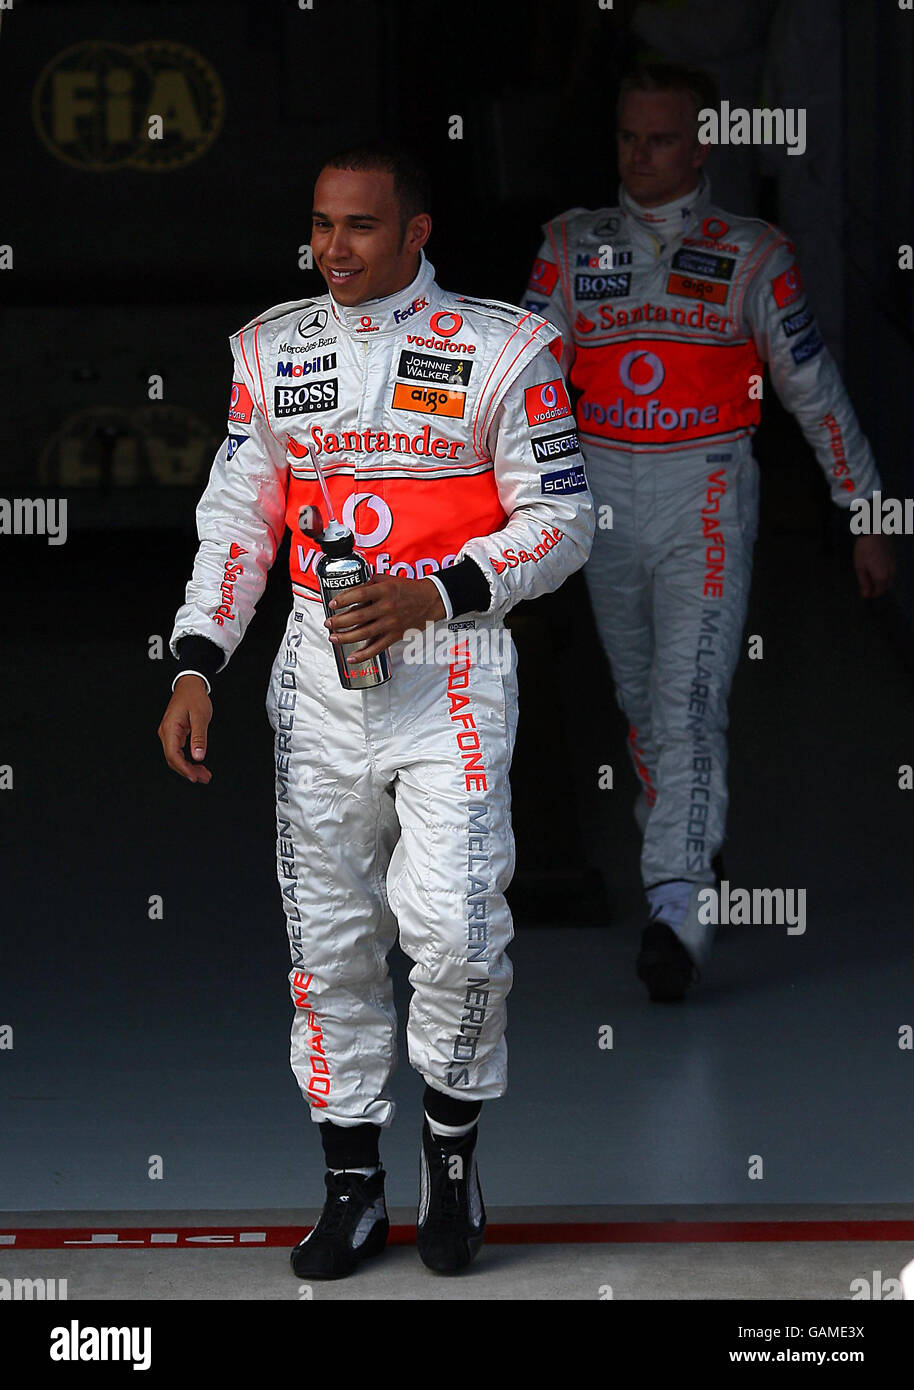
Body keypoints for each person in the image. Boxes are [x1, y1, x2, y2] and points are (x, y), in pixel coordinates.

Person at [158, 146, 594, 1278]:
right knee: (328, 946)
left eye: (359, 227)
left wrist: (434, 591)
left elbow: (561, 519)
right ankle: (351, 1191)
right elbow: (237, 520)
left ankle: (449, 1171)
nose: (334, 248)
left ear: (416, 234)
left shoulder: (508, 349)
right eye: (319, 224)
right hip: (315, 669)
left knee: (455, 933)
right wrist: (196, 661)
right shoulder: (271, 349)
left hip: (448, 664)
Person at [521, 64, 893, 1003]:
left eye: (658, 139)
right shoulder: (569, 245)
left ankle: (677, 907)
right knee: (643, 698)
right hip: (598, 494)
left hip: (706, 493)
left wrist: (867, 513)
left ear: (701, 145)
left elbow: (813, 391)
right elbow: (517, 386)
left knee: (689, 702)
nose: (637, 156)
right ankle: (685, 850)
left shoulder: (756, 253)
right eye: (625, 138)